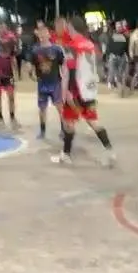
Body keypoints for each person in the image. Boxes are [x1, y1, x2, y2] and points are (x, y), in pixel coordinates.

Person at [52, 17, 115, 167]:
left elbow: (71, 70)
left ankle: (66, 154)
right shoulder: (90, 44)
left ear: (72, 27)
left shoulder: (72, 46)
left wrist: (67, 92)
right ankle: (109, 150)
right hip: (89, 89)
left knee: (68, 122)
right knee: (93, 121)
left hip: (76, 90)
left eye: (68, 27)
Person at [31, 24, 66, 140]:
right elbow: (32, 65)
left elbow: (63, 64)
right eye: (40, 33)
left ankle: (63, 130)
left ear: (49, 34)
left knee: (59, 107)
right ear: (38, 35)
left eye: (45, 33)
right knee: (42, 108)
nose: (43, 35)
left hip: (55, 83)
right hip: (42, 84)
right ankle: (42, 131)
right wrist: (32, 73)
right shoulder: (35, 50)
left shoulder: (56, 49)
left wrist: (64, 78)